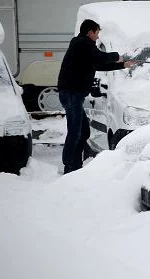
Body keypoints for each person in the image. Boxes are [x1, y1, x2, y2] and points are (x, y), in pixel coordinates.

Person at [57, 19, 136, 174]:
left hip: (74, 95)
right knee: (75, 131)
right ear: (90, 32)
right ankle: (69, 167)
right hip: (71, 93)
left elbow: (98, 64)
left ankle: (75, 165)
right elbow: (101, 57)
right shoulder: (81, 44)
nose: (98, 36)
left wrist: (122, 65)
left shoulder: (84, 48)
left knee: (83, 131)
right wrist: (117, 56)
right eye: (97, 33)